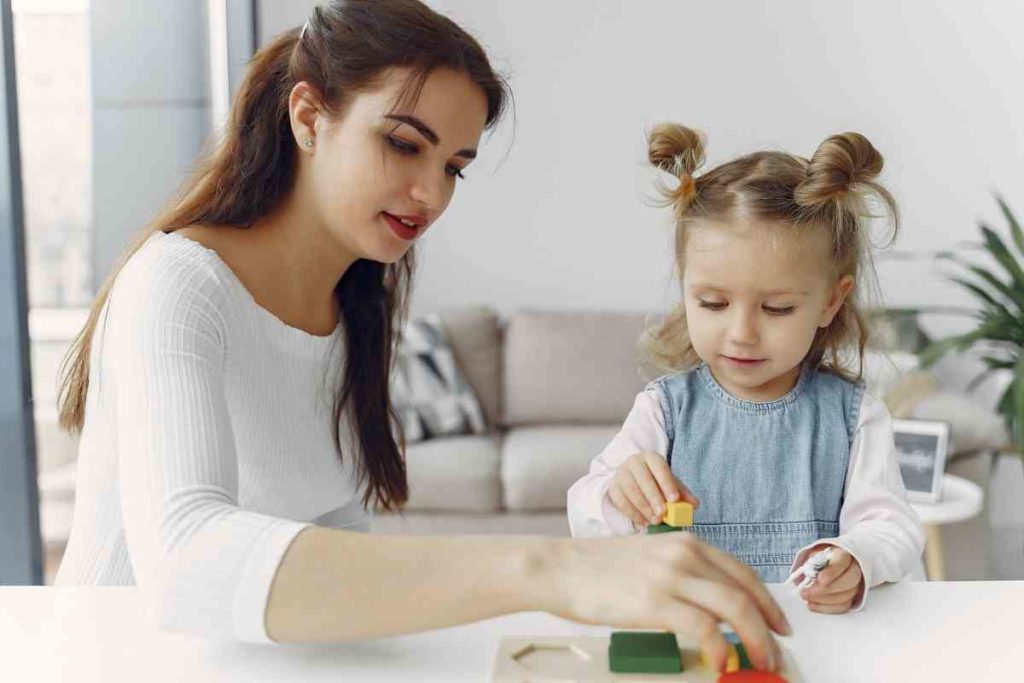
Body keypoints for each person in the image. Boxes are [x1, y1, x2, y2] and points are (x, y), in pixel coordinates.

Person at [53, 0, 790, 673]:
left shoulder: (352, 312)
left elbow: (336, 540)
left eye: (453, 168)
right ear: (309, 117)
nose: (432, 194)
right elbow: (186, 562)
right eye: (405, 144)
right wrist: (552, 571)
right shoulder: (178, 284)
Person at [568, 123, 925, 614]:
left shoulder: (854, 416)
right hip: (696, 633)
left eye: (777, 309)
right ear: (686, 288)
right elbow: (584, 512)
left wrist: (857, 557)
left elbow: (894, 528)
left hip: (813, 639)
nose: (741, 333)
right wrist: (617, 493)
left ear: (829, 303)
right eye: (713, 303)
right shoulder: (664, 409)